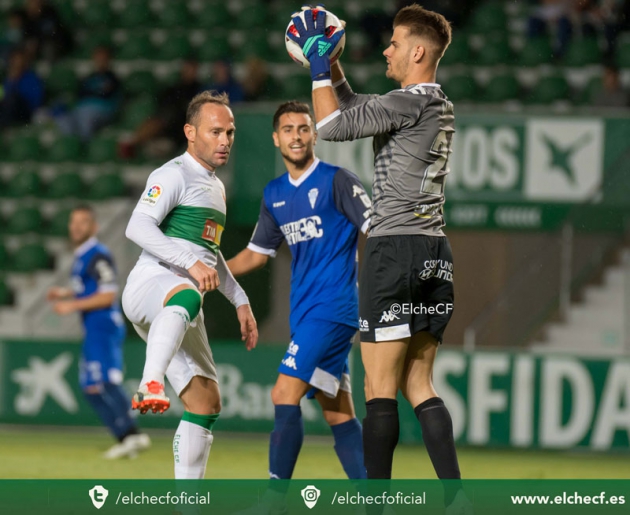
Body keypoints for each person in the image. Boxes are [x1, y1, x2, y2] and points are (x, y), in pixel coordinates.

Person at [288, 4, 472, 514]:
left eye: (394, 43)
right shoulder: (432, 104)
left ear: (418, 51)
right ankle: (455, 498)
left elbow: (328, 125)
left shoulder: (406, 103)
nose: (386, 49)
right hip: (435, 252)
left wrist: (319, 60)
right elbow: (350, 107)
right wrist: (334, 69)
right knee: (419, 382)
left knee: (379, 387)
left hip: (394, 249)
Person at [227, 101, 370, 495]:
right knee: (337, 409)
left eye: (303, 128)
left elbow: (375, 228)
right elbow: (256, 253)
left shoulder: (338, 180)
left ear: (315, 134)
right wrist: (215, 272)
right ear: (276, 139)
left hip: (335, 307)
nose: (296, 136)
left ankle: (276, 500)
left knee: (282, 392)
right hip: (306, 313)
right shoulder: (274, 194)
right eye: (288, 129)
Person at [121, 90, 258, 479]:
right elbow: (137, 226)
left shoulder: (216, 187)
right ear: (190, 132)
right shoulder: (173, 174)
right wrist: (188, 262)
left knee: (206, 404)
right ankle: (150, 382)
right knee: (186, 293)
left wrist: (240, 299)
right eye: (215, 132)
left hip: (182, 305)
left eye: (230, 133)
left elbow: (209, 254)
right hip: (151, 287)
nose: (225, 140)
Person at [46, 205, 151, 460]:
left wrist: (72, 304)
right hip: (94, 326)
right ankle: (125, 436)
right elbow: (88, 287)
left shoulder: (98, 255)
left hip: (103, 325)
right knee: (90, 386)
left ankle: (132, 433)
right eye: (73, 222)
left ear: (94, 227)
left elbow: (107, 295)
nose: (76, 227)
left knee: (104, 381)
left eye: (83, 222)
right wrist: (66, 292)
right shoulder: (83, 256)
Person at [118, 57, 203, 159]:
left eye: (192, 69)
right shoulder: (175, 88)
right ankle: (134, 143)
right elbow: (162, 104)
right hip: (164, 128)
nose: (189, 72)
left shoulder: (199, 90)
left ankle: (134, 142)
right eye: (187, 68)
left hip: (178, 133)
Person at [55, 45, 121, 141]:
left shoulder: (112, 78)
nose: (100, 61)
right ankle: (73, 145)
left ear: (108, 60)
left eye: (103, 58)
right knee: (63, 118)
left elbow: (106, 94)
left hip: (102, 111)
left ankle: (84, 147)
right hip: (81, 110)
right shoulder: (89, 78)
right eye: (98, 58)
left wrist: (91, 93)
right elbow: (80, 93)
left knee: (86, 118)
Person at [0, 47, 44, 130]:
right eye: (14, 60)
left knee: (12, 99)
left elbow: (36, 101)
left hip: (26, 111)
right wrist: (12, 80)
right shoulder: (7, 79)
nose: (16, 63)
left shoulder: (32, 78)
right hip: (8, 110)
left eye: (19, 60)